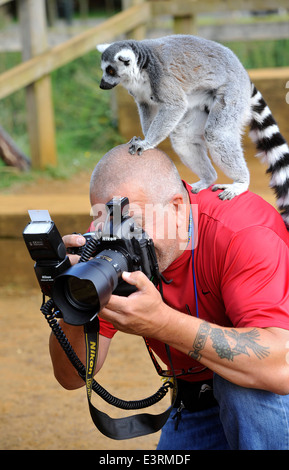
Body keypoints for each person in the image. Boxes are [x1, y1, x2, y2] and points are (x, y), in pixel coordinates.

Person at [49, 143, 289, 450]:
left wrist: (160, 323)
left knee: (241, 388)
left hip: (265, 392)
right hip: (194, 400)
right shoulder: (111, 240)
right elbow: (71, 377)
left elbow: (280, 368)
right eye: (108, 225)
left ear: (177, 208)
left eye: (134, 226)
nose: (123, 240)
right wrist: (75, 302)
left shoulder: (242, 231)